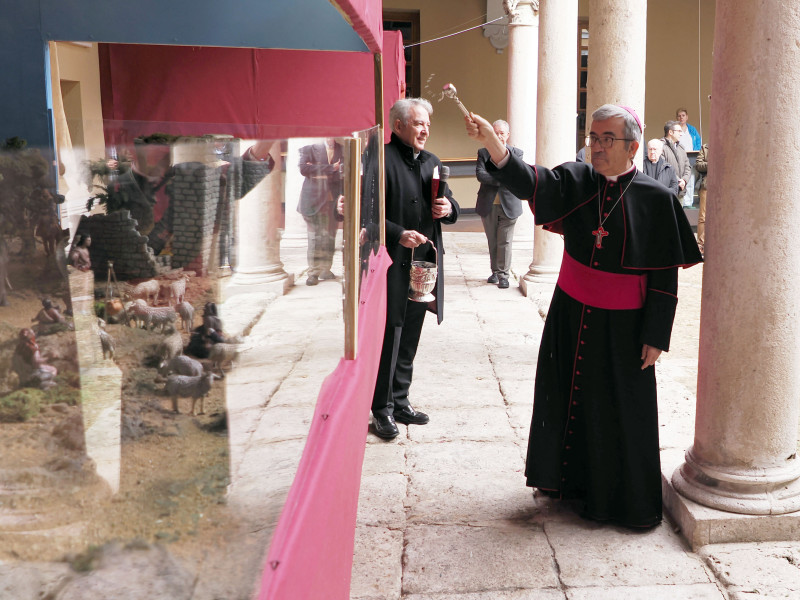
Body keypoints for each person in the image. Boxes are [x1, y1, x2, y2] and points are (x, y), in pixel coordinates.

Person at [465, 104, 702, 528]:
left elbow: (665, 277)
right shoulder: (575, 180)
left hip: (626, 327)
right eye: (593, 137)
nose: (596, 146)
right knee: (565, 397)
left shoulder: (657, 199)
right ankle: (564, 485)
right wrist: (495, 146)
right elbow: (529, 180)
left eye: (606, 139)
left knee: (618, 412)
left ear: (632, 146)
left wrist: (656, 335)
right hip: (570, 313)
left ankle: (618, 502)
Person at [371, 97, 460, 440]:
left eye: (428, 125)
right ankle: (382, 409)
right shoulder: (379, 159)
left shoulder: (432, 162)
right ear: (398, 126)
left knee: (411, 331)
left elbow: (450, 206)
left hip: (424, 263)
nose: (425, 130)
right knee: (390, 332)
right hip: (392, 262)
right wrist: (398, 233)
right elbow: (368, 212)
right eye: (419, 123)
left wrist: (447, 207)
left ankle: (400, 399)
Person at [475, 120, 524, 289]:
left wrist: (496, 178)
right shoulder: (483, 153)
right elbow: (481, 175)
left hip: (509, 205)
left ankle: (504, 275)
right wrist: (503, 179)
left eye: (502, 133)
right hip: (488, 204)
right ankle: (495, 272)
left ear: (507, 135)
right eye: (495, 133)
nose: (498, 136)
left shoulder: (516, 154)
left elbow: (515, 177)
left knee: (505, 241)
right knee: (493, 240)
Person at [298, 138, 343, 286]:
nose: (330, 138)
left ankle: (325, 269)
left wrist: (318, 168)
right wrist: (331, 168)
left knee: (330, 237)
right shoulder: (309, 149)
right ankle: (313, 273)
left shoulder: (344, 149)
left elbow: (346, 172)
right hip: (313, 201)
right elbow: (304, 169)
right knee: (314, 238)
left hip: (333, 201)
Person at [660, 121, 691, 205]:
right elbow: (663, 166)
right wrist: (678, 180)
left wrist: (684, 180)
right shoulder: (660, 146)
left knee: (679, 217)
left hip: (680, 191)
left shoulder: (681, 148)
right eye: (679, 131)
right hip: (667, 191)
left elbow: (688, 167)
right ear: (670, 132)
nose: (681, 134)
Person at [695, 143, 709, 255]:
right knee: (703, 216)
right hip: (707, 185)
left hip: (724, 186)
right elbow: (698, 165)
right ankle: (701, 245)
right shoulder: (705, 147)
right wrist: (712, 164)